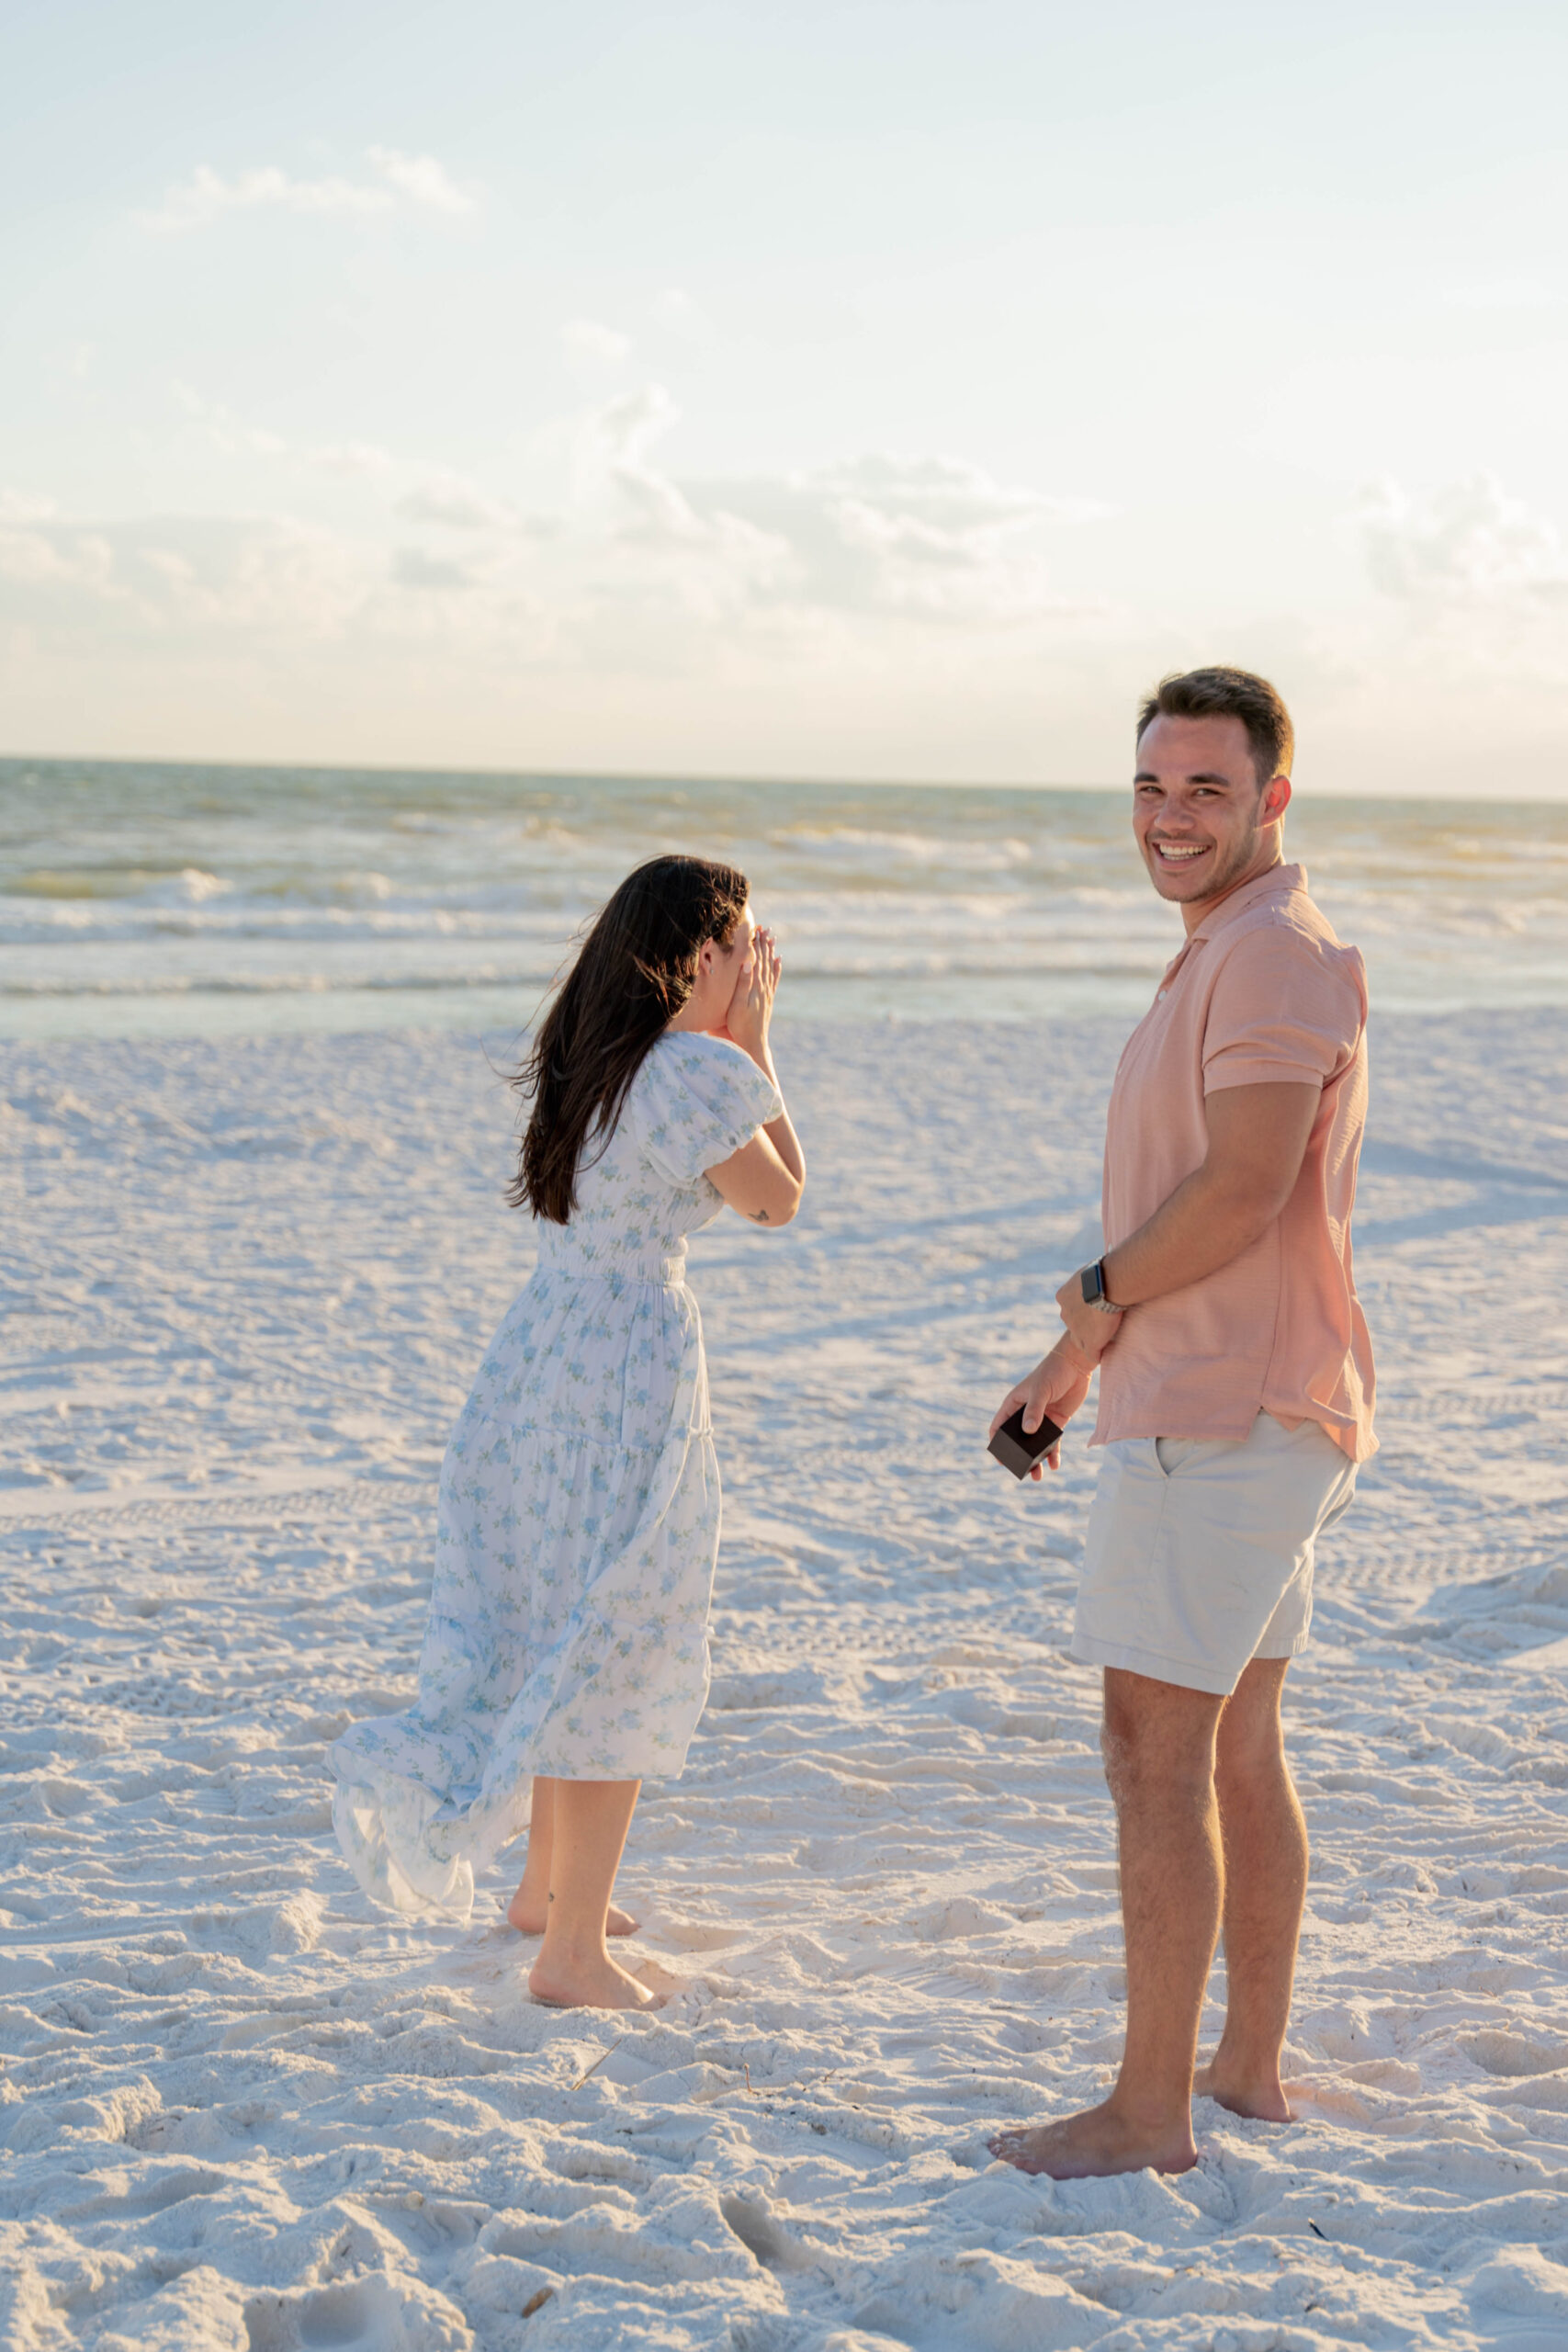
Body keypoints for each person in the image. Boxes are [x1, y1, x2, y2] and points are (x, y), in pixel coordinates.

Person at [987, 667, 1376, 2178]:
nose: (1169, 817)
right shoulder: (1233, 946)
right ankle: (1245, 2070)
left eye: (1205, 789)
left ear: (1272, 797)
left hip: (1225, 1420)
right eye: (1150, 787)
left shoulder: (1268, 954)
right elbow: (1199, 1208)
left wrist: (1089, 1289)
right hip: (1241, 1399)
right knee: (1229, 1742)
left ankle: (1147, 2114)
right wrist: (1075, 1357)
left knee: (1152, 1743)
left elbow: (1238, 1194)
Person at [331, 855, 806, 2012]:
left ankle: (545, 1891)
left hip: (543, 1357)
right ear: (699, 955)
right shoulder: (694, 1066)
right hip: (626, 1366)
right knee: (621, 1635)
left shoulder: (594, 1060)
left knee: (562, 1616)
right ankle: (572, 1952)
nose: (755, 961)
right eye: (742, 943)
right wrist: (757, 1040)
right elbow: (780, 1196)